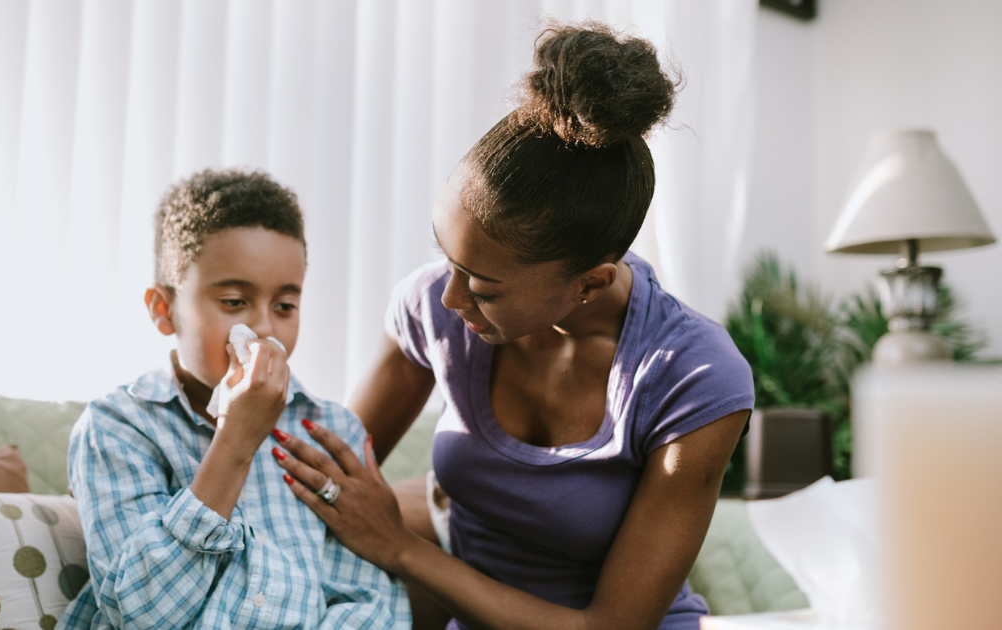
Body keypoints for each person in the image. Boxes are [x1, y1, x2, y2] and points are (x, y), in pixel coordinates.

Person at [270, 22, 753, 630]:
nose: (450, 296)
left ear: (590, 284)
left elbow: (610, 627)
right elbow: (320, 472)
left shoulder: (694, 377)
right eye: (448, 258)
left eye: (483, 287)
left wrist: (400, 547)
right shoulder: (432, 308)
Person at [59, 169, 410, 630]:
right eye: (233, 301)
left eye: (285, 306)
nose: (264, 328)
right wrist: (236, 440)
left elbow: (370, 603)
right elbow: (140, 612)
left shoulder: (332, 433)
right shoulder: (119, 428)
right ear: (164, 310)